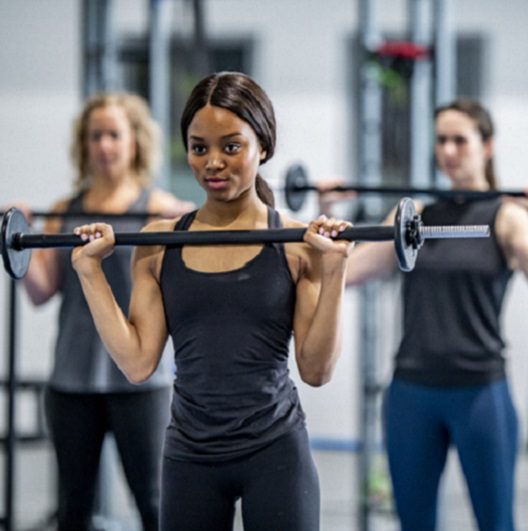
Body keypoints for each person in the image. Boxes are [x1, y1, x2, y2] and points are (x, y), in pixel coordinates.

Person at [69, 71, 354, 531]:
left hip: (275, 450)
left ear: (263, 146)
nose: (213, 162)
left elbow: (317, 371)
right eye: (199, 147)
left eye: (231, 146)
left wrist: (335, 269)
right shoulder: (160, 243)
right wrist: (90, 273)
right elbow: (139, 363)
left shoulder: (297, 244)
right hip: (190, 455)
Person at [336, 98, 528, 530]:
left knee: (497, 523)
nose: (449, 151)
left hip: (480, 393)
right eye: (442, 140)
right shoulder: (414, 216)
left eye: (460, 140)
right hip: (412, 392)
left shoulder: (508, 218)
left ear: (487, 146)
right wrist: (324, 222)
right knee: (414, 524)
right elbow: (344, 272)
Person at [19, 92, 194, 531]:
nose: (104, 146)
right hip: (72, 380)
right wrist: (18, 237)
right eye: (95, 136)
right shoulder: (63, 211)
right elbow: (41, 292)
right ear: (85, 144)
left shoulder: (162, 211)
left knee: (155, 504)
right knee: (72, 509)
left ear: (134, 141)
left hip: (139, 380)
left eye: (114, 135)